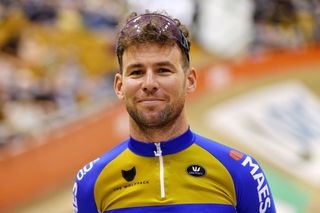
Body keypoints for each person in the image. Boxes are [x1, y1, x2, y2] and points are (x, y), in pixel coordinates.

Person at [73, 11, 277, 213]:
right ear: (119, 86)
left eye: (163, 70)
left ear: (190, 80)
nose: (149, 83)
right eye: (137, 72)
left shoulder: (241, 172)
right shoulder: (90, 184)